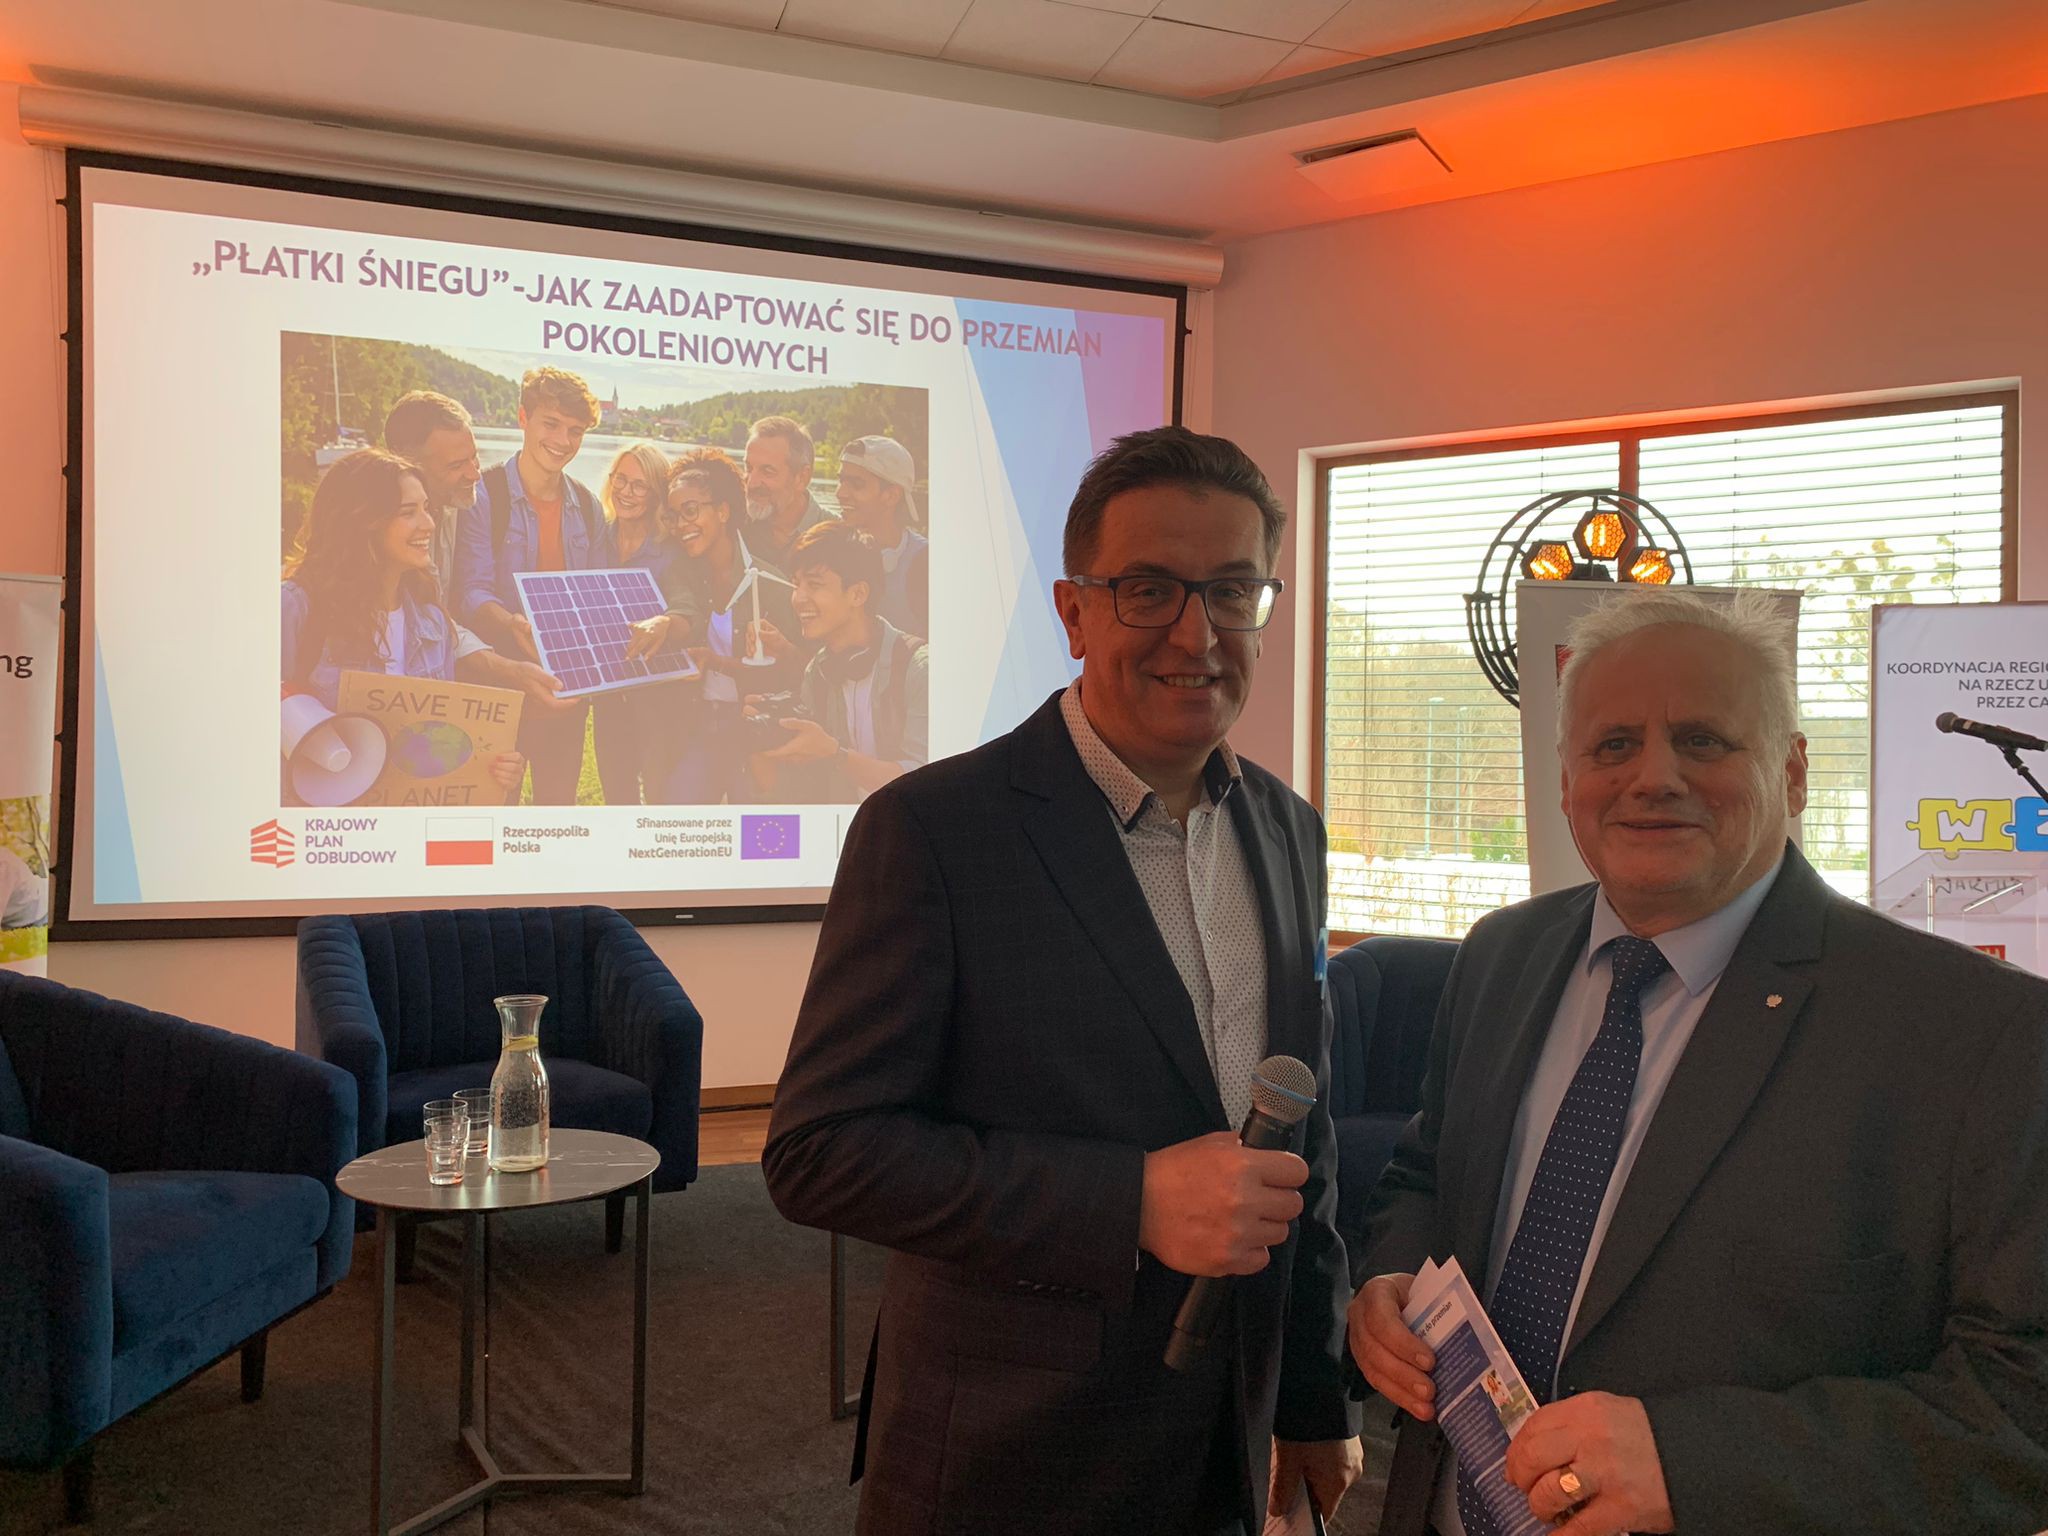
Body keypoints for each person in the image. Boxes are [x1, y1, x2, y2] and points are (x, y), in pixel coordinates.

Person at [763, 426, 1363, 1535]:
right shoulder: (933, 830)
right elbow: (821, 1153)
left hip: (1224, 1438)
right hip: (1008, 1452)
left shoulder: (1289, 830)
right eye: (1149, 589)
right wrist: (1129, 1201)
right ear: (1074, 612)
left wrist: (1314, 1398)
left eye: (1233, 592)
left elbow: (1298, 1136)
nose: (1196, 634)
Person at [1348, 587, 2048, 1536]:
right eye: (1612, 745)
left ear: (1793, 773)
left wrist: (1692, 1465)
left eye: (1703, 740)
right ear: (1566, 780)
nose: (1653, 777)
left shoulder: (1976, 1031)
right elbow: (1429, 1174)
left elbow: (2021, 1404)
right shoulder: (1500, 955)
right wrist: (1389, 1283)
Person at [281, 449, 522, 799]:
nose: (429, 524)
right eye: (408, 513)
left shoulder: (432, 621)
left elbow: (442, 739)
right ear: (362, 522)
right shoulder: (296, 607)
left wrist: (494, 765)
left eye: (426, 508)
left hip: (405, 823)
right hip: (322, 826)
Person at [452, 366, 611, 804]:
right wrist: (511, 623)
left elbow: (597, 597)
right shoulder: (484, 495)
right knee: (494, 807)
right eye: (551, 424)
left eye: (575, 431)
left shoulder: (588, 506)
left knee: (556, 809)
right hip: (500, 685)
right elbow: (470, 591)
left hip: (564, 689)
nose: (562, 441)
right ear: (523, 418)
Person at [624, 448, 797, 803]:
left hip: (754, 730)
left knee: (752, 824)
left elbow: (788, 674)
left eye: (691, 510)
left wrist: (719, 662)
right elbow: (683, 611)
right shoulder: (682, 570)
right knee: (677, 812)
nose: (681, 525)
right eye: (674, 516)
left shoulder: (770, 583)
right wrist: (664, 623)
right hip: (698, 726)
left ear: (722, 511)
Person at [749, 519, 927, 803]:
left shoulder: (919, 669)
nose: (798, 598)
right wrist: (762, 742)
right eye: (796, 584)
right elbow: (794, 789)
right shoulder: (817, 672)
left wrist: (834, 753)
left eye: (814, 585)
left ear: (858, 594)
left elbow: (925, 783)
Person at [591, 442, 685, 806]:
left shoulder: (671, 549)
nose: (626, 492)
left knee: (659, 796)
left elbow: (685, 606)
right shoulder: (595, 538)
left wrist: (665, 622)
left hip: (656, 696)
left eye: (639, 485)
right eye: (621, 479)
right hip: (607, 689)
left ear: (657, 493)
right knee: (616, 793)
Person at [834, 434, 928, 637]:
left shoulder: (925, 564)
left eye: (857, 484)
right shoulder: (830, 549)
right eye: (841, 481)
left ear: (891, 496)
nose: (840, 493)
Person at [743, 414, 835, 573]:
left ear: (802, 478)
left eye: (767, 471)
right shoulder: (734, 523)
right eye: (748, 468)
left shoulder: (837, 538)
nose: (751, 483)